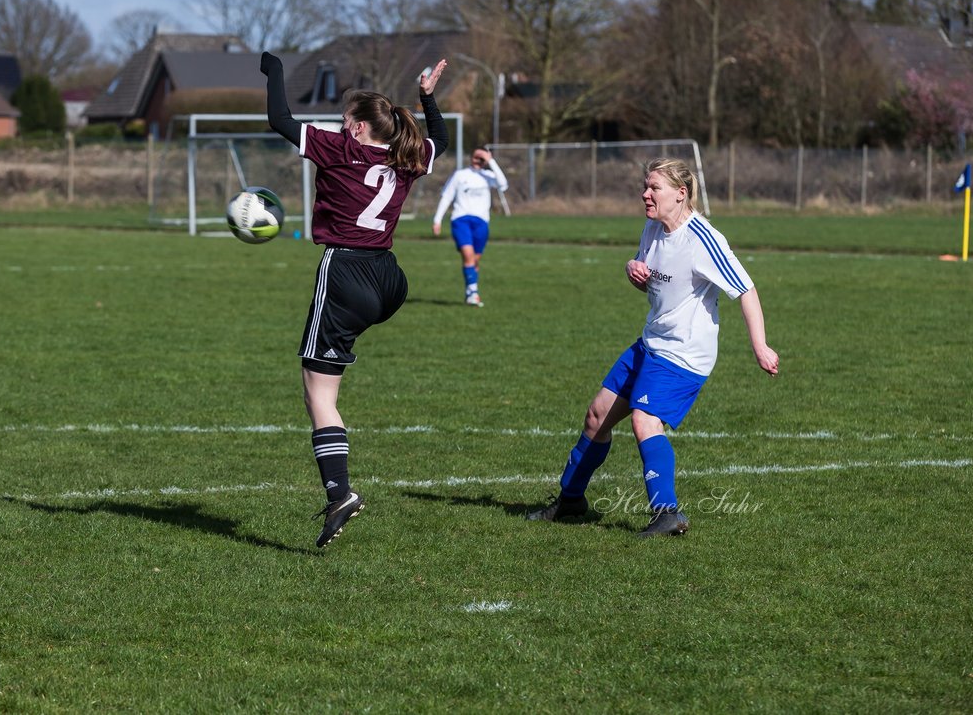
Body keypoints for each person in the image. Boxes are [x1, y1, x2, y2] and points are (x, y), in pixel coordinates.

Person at [527, 157, 779, 537]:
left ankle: (668, 513)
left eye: (654, 188)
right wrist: (633, 269)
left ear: (681, 194)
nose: (645, 194)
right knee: (597, 416)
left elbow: (745, 289)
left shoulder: (703, 240)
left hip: (683, 353)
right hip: (651, 343)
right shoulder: (652, 227)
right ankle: (571, 499)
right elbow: (650, 280)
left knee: (645, 421)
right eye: (645, 187)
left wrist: (759, 346)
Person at [260, 51, 449, 548]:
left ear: (362, 128)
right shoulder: (406, 156)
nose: (341, 125)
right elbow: (441, 141)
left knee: (318, 394)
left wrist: (274, 70)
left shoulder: (340, 149)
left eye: (347, 120)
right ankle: (339, 489)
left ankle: (339, 492)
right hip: (390, 279)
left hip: (345, 271)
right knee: (330, 376)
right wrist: (428, 98)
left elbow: (280, 119)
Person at [432, 148, 509, 306]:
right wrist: (437, 219)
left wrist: (491, 161)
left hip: (481, 222)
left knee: (474, 260)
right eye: (475, 156)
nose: (477, 159)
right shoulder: (460, 175)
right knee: (468, 255)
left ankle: (470, 291)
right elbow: (447, 197)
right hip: (461, 220)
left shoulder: (488, 176)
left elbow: (503, 185)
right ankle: (473, 293)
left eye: (481, 157)